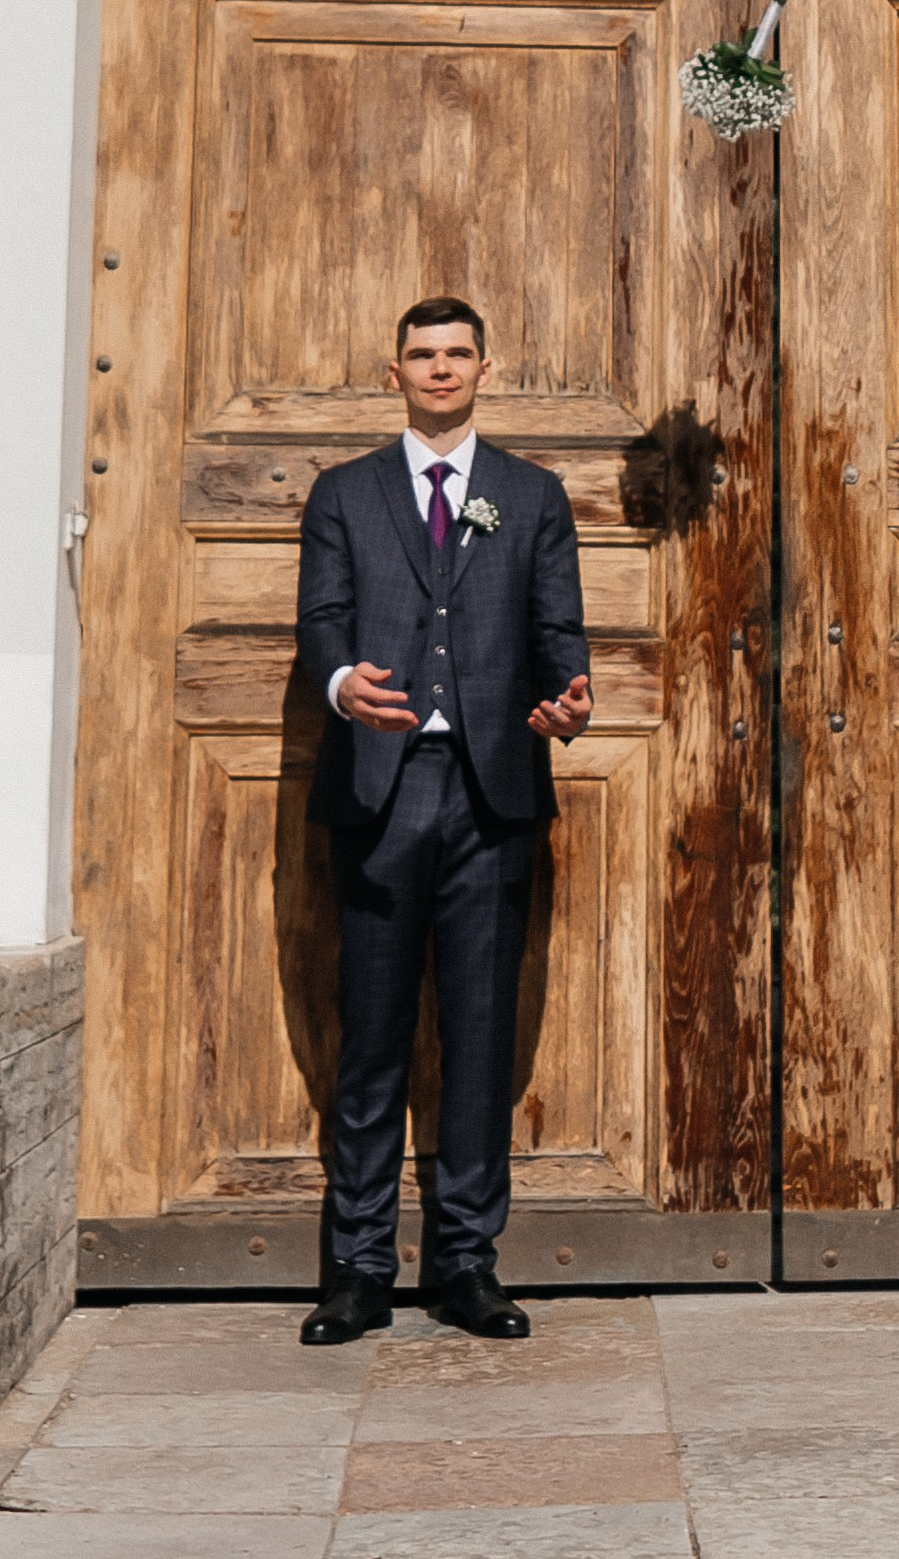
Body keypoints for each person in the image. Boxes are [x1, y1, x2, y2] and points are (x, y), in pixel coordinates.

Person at [294, 296, 592, 1345]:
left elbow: (558, 630)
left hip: (490, 793)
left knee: (476, 1037)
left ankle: (465, 1264)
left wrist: (568, 699)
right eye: (421, 355)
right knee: (371, 1039)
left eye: (457, 352)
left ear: (482, 367)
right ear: (395, 371)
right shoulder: (344, 493)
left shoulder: (527, 495)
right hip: (380, 790)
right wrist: (340, 688)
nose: (439, 369)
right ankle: (359, 1270)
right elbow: (322, 620)